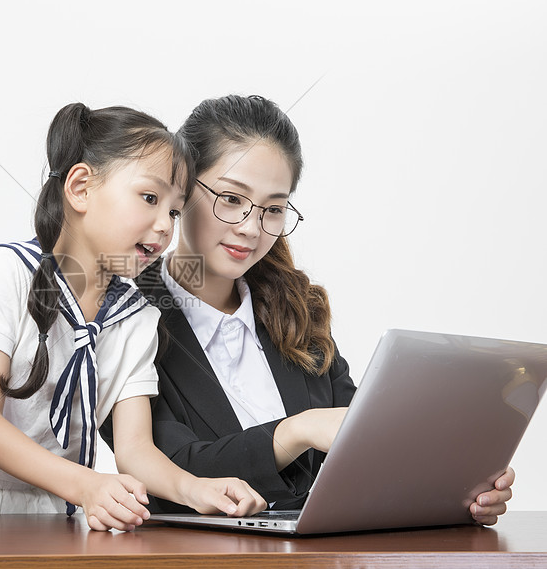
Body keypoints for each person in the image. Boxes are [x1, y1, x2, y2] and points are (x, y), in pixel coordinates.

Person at [0, 102, 265, 531]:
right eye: (149, 198)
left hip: (45, 509)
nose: (164, 226)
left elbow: (135, 450)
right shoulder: (8, 272)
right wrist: (85, 485)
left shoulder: (137, 318)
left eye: (174, 211)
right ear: (80, 188)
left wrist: (197, 489)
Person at [118, 94, 514, 525]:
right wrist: (297, 431)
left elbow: (367, 444)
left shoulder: (293, 310)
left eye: (273, 209)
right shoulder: (124, 314)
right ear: (182, 188)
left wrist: (456, 487)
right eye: (231, 199)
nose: (251, 228)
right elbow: (167, 471)